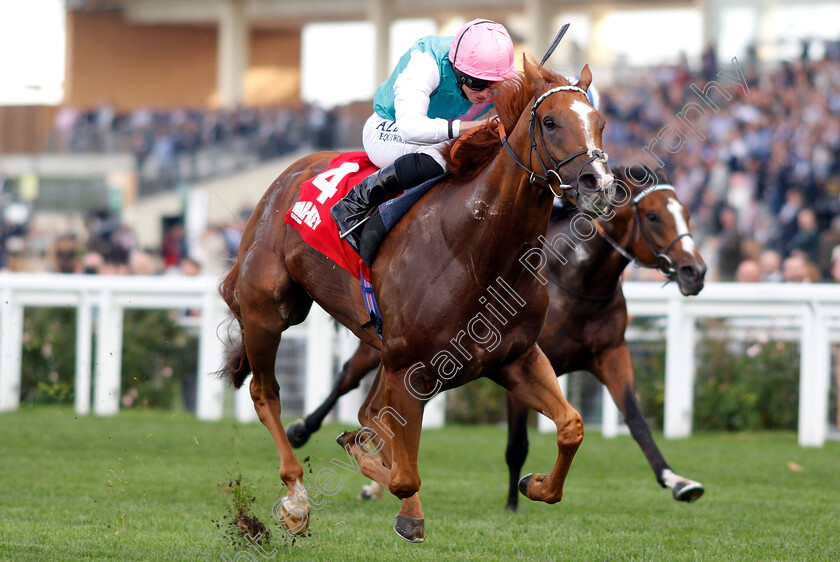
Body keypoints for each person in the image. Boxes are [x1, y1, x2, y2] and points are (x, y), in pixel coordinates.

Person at [330, 19, 517, 253]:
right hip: (388, 129)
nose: (487, 94)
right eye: (479, 84)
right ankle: (356, 201)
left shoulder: (490, 66)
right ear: (458, 70)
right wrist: (471, 126)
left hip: (433, 134)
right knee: (451, 151)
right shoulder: (426, 63)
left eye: (495, 85)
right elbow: (411, 129)